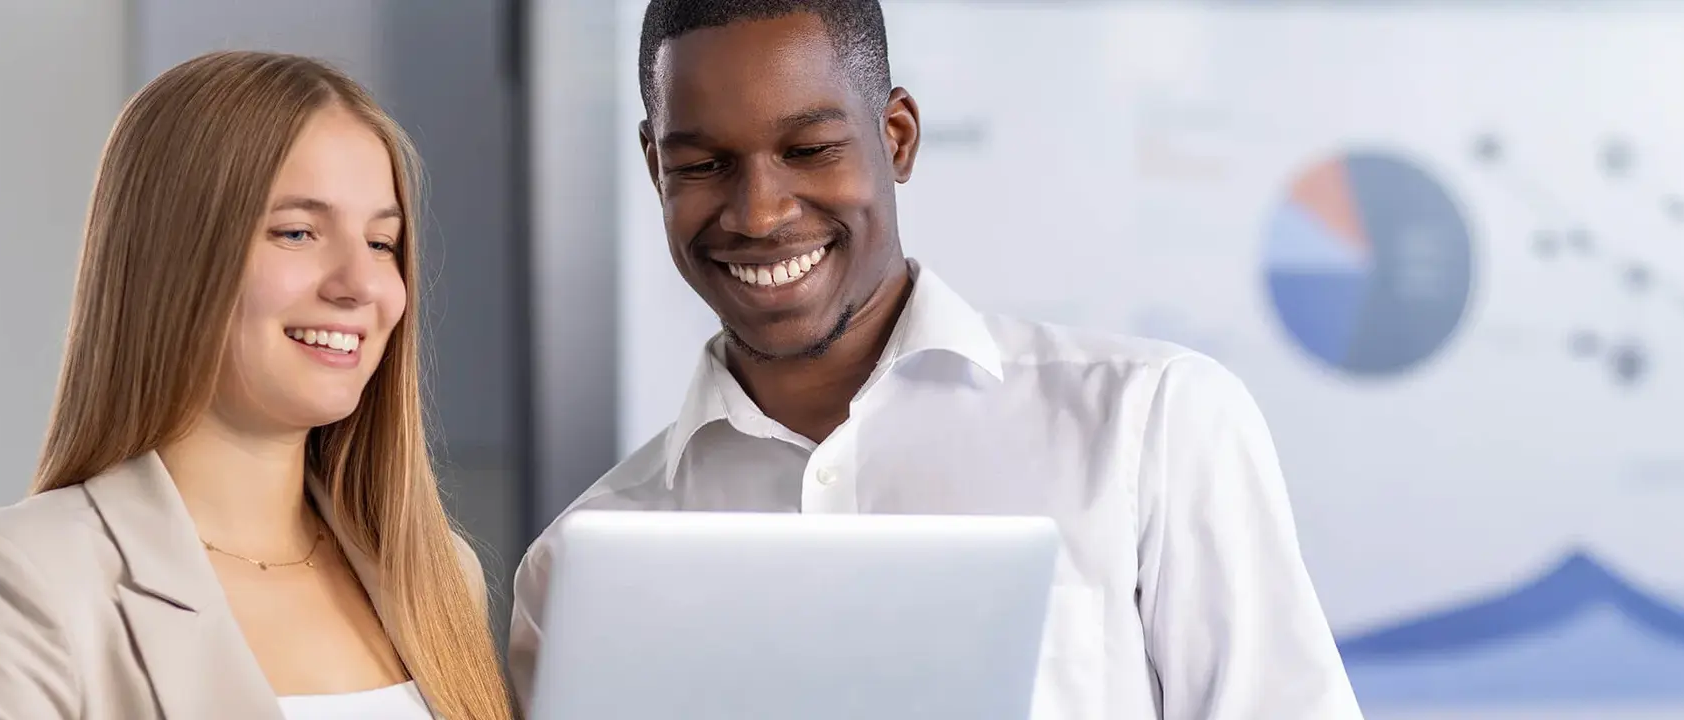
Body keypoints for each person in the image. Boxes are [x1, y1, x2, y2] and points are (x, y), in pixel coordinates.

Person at [507, 1, 1365, 718]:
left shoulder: (1153, 425)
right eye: (703, 164)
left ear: (900, 137)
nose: (759, 213)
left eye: (808, 150)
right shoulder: (579, 568)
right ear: (655, 168)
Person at [0, 51, 513, 720]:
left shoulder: (438, 576)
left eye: (380, 243)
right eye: (297, 232)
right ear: (173, 257)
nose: (360, 285)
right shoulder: (18, 580)